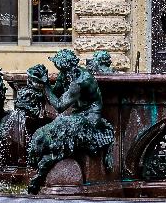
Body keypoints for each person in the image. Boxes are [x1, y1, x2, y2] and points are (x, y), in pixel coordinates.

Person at [26, 49, 114, 194]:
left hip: (90, 118)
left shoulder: (79, 81)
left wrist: (45, 85)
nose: (57, 68)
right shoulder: (66, 74)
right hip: (77, 114)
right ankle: (39, 162)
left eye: (58, 65)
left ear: (63, 65)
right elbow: (56, 91)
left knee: (62, 129)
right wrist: (41, 82)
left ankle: (43, 169)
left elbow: (60, 105)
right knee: (48, 131)